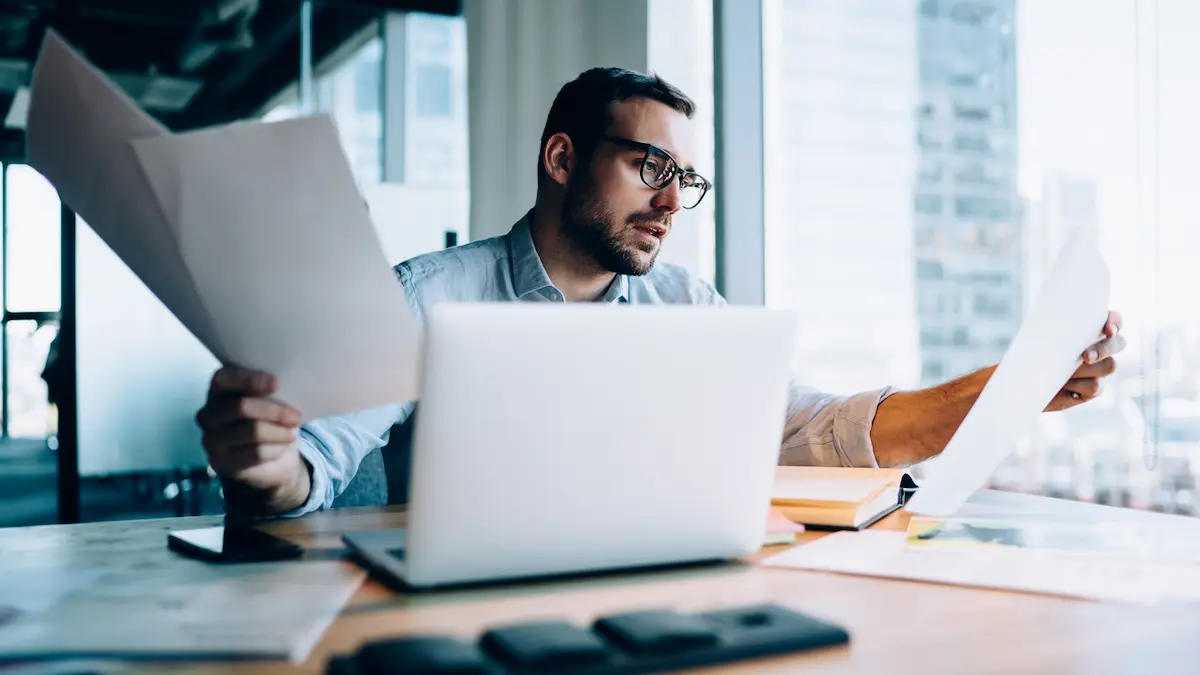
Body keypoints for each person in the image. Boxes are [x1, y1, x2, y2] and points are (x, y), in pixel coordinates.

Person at [196, 67, 1125, 517]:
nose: (674, 201)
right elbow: (312, 461)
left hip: (650, 610)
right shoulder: (428, 296)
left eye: (686, 178)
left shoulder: (687, 305)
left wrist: (1004, 388)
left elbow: (813, 430)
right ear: (563, 157)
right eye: (650, 166)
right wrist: (266, 466)